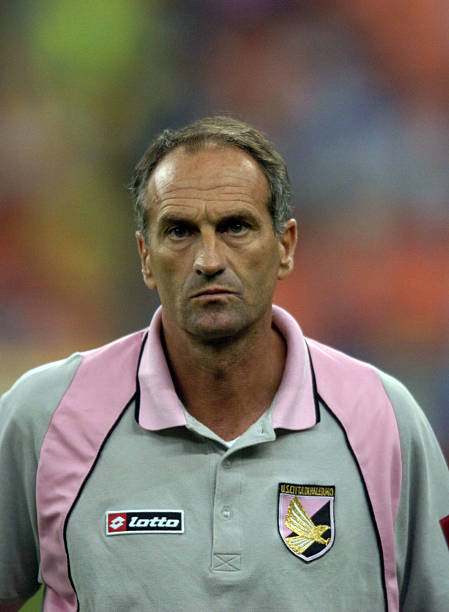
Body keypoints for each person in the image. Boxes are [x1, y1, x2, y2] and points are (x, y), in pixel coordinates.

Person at [0, 116, 448, 612]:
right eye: (180, 231)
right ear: (145, 257)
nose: (208, 259)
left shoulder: (383, 419)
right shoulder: (44, 416)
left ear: (285, 247)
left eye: (235, 227)